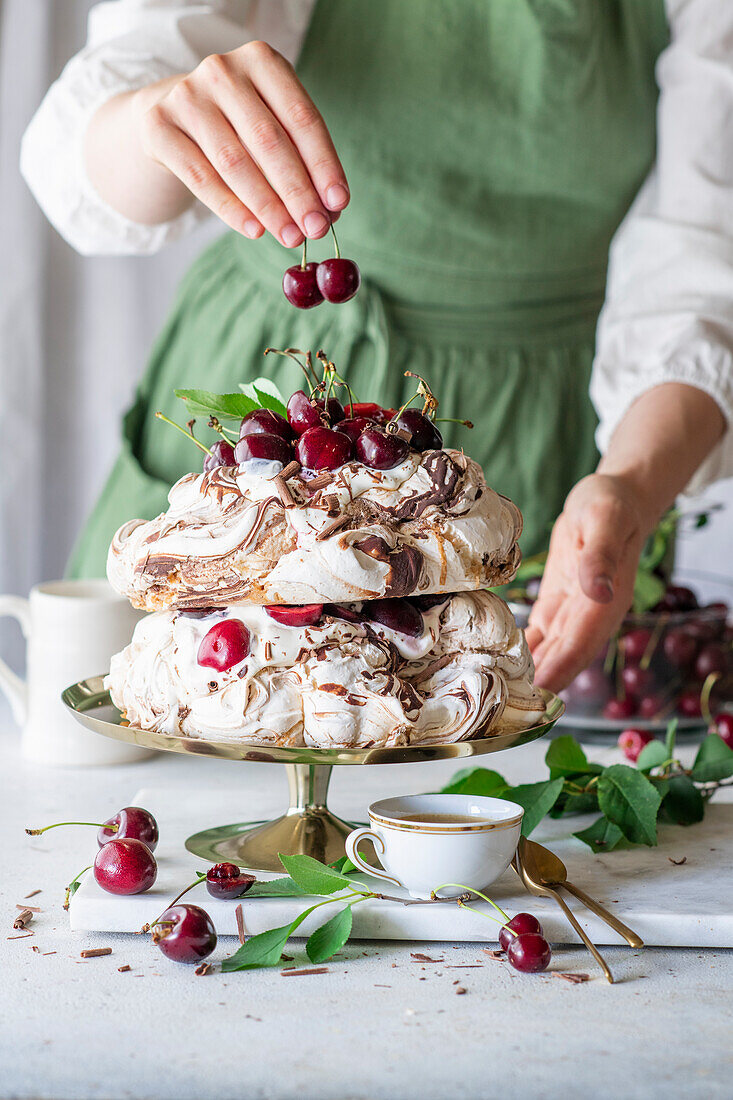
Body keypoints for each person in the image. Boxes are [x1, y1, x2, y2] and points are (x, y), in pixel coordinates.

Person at [21, 1, 732, 693]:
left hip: (542, 431)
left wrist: (632, 484)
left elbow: (702, 260)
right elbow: (92, 152)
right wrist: (152, 122)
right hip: (267, 401)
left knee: (470, 754)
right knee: (176, 730)